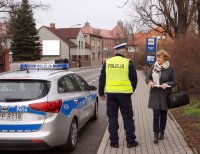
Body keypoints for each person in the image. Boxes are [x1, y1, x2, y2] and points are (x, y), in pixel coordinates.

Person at [99, 43, 138, 148]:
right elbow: (134, 80)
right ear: (123, 52)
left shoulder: (107, 62)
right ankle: (130, 141)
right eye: (126, 51)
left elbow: (102, 79)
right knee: (128, 118)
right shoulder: (128, 63)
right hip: (125, 95)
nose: (126, 53)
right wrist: (130, 91)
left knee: (112, 118)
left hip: (111, 94)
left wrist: (101, 93)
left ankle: (114, 142)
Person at [146, 49, 176, 144]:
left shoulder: (170, 68)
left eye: (160, 57)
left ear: (165, 58)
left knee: (163, 115)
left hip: (165, 95)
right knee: (156, 115)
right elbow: (147, 78)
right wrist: (150, 82)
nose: (158, 58)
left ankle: (162, 131)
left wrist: (167, 84)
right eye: (157, 57)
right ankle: (155, 134)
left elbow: (174, 82)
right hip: (155, 94)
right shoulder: (153, 67)